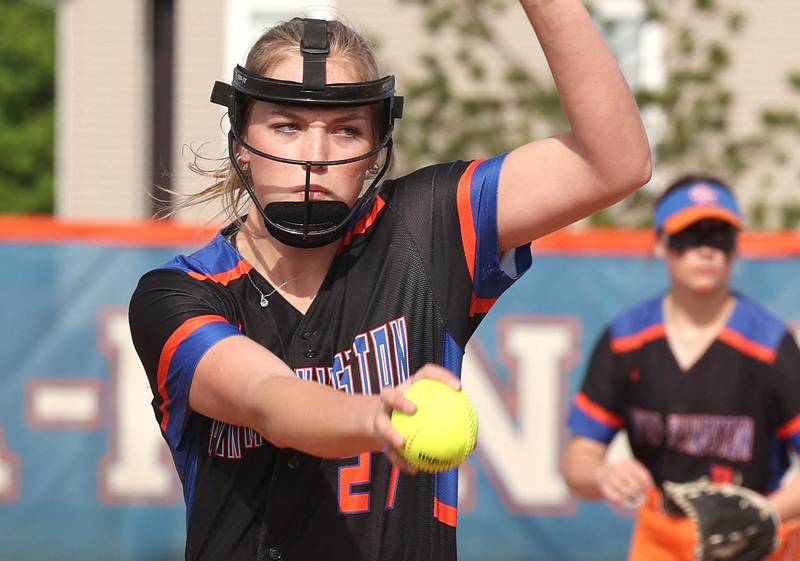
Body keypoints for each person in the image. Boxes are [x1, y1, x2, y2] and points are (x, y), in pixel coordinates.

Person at [129, 3, 650, 560]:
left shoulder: (424, 231)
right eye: (287, 125)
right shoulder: (179, 292)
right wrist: (374, 418)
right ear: (240, 142)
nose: (316, 155)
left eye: (347, 130)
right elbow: (268, 401)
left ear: (375, 149)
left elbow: (615, 162)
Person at [562, 175, 800, 561]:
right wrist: (602, 474)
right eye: (689, 236)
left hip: (753, 539)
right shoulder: (627, 340)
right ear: (659, 244)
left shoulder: (769, 346)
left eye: (720, 236)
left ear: (736, 248)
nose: (706, 250)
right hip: (661, 537)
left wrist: (765, 515)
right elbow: (577, 464)